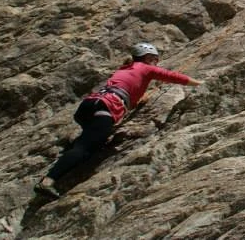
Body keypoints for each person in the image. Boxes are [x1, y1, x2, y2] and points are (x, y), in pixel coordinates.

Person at [34, 43, 202, 199]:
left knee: (92, 142)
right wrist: (199, 83)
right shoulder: (145, 67)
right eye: (155, 59)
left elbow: (127, 91)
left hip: (90, 105)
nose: (156, 63)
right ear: (147, 57)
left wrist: (137, 101)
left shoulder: (125, 69)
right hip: (106, 107)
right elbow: (172, 76)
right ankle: (47, 181)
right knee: (85, 148)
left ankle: (72, 152)